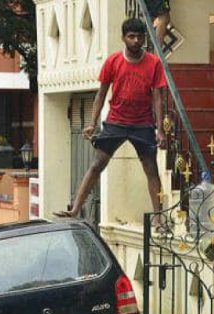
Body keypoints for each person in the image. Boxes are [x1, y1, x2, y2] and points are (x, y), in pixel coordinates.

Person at [53, 18, 167, 220]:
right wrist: (92, 122)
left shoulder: (154, 63)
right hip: (116, 121)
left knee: (151, 168)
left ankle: (158, 218)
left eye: (139, 37)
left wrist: (160, 129)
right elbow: (101, 94)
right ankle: (75, 209)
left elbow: (157, 97)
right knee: (97, 165)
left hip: (142, 124)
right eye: (131, 36)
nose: (136, 41)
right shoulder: (113, 61)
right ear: (123, 38)